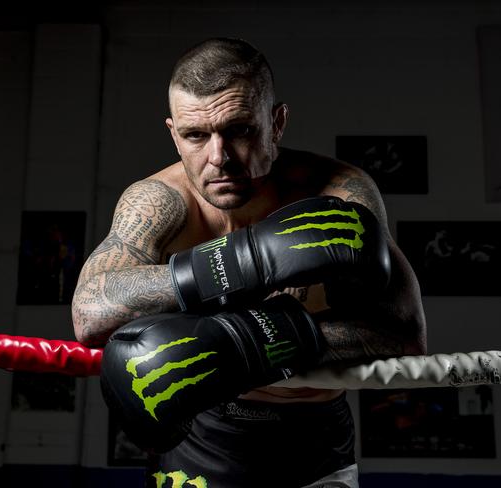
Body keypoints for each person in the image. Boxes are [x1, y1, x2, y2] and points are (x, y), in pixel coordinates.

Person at [72, 38, 426, 488]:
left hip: (316, 442)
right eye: (195, 136)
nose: (218, 158)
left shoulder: (338, 194)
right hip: (204, 441)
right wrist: (245, 262)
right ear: (173, 132)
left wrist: (253, 342)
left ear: (276, 123)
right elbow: (89, 310)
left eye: (238, 130)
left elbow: (406, 334)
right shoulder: (159, 201)